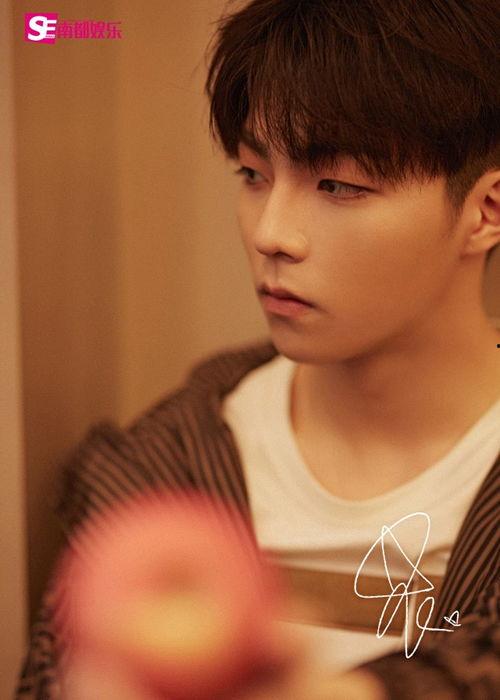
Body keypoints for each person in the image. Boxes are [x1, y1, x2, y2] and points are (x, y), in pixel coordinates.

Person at [18, 0, 500, 697]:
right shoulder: (163, 470)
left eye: (338, 186)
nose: (271, 233)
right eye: (252, 174)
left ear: (486, 211)